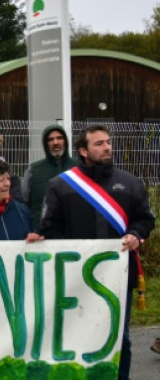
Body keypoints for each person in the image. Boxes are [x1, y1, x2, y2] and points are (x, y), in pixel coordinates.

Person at [39, 125, 155, 380]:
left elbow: (145, 219)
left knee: (119, 338)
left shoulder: (130, 183)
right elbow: (49, 228)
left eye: (108, 142)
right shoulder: (60, 185)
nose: (107, 147)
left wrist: (135, 234)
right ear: (83, 151)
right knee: (77, 337)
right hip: (75, 276)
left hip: (119, 275)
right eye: (99, 143)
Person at [21, 124, 76, 226]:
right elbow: (23, 202)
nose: (55, 142)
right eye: (50, 139)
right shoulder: (33, 170)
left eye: (59, 138)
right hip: (42, 230)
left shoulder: (79, 168)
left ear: (65, 141)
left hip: (73, 229)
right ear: (45, 144)